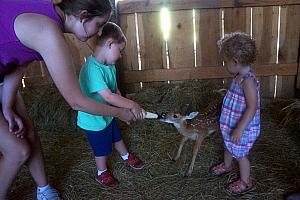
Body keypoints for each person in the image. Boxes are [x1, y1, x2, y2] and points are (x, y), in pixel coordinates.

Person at [0, 0, 137, 199]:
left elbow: (19, 60)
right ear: (83, 15)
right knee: (18, 151)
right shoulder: (49, 34)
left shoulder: (46, 14)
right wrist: (119, 112)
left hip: (3, 75)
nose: (99, 33)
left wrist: (6, 106)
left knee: (28, 133)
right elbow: (76, 102)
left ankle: (44, 190)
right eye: (99, 25)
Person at [77, 22, 145, 188]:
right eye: (119, 50)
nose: (120, 56)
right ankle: (101, 172)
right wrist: (132, 104)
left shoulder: (109, 66)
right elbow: (107, 96)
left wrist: (123, 108)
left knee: (116, 135)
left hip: (107, 114)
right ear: (109, 44)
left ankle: (125, 155)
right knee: (101, 148)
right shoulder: (92, 69)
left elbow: (115, 92)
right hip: (93, 120)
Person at [210, 32, 260, 196]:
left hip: (242, 128)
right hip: (231, 125)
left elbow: (252, 108)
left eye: (226, 62)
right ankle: (227, 165)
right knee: (227, 145)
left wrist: (239, 129)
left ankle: (246, 182)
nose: (224, 65)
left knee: (240, 155)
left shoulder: (248, 82)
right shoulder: (239, 76)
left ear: (236, 61)